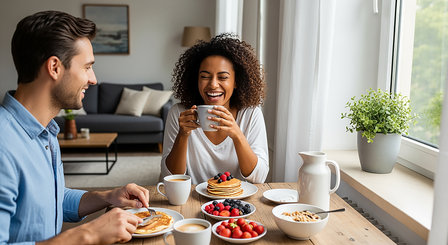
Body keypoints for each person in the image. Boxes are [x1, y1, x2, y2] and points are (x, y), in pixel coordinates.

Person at [0, 11, 150, 244]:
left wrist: (108, 196)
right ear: (54, 67)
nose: (93, 79)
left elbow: (52, 200)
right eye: (87, 66)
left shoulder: (45, 132)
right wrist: (88, 234)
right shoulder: (3, 145)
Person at [160, 33, 269, 185]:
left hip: (236, 203)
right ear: (196, 79)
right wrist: (183, 135)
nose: (213, 84)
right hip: (192, 200)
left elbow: (259, 178)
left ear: (236, 82)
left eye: (223, 77)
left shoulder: (250, 114)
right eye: (205, 76)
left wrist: (237, 135)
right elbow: (169, 177)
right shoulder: (179, 113)